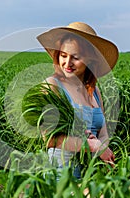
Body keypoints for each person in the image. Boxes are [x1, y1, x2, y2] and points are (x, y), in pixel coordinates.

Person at [35, 22, 119, 179]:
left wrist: (101, 145)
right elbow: (50, 139)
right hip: (63, 175)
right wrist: (92, 145)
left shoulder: (94, 91)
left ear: (90, 60)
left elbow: (104, 132)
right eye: (63, 55)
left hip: (93, 172)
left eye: (75, 57)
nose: (67, 63)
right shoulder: (52, 86)